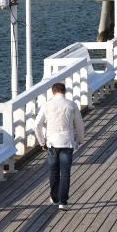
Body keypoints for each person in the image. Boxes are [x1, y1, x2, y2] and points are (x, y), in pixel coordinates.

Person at [34, 82, 85, 210]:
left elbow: (36, 125)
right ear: (64, 92)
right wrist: (80, 139)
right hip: (67, 142)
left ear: (53, 92)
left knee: (53, 170)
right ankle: (63, 201)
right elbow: (79, 125)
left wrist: (41, 142)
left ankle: (54, 197)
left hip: (52, 143)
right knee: (65, 172)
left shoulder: (46, 105)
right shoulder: (71, 105)